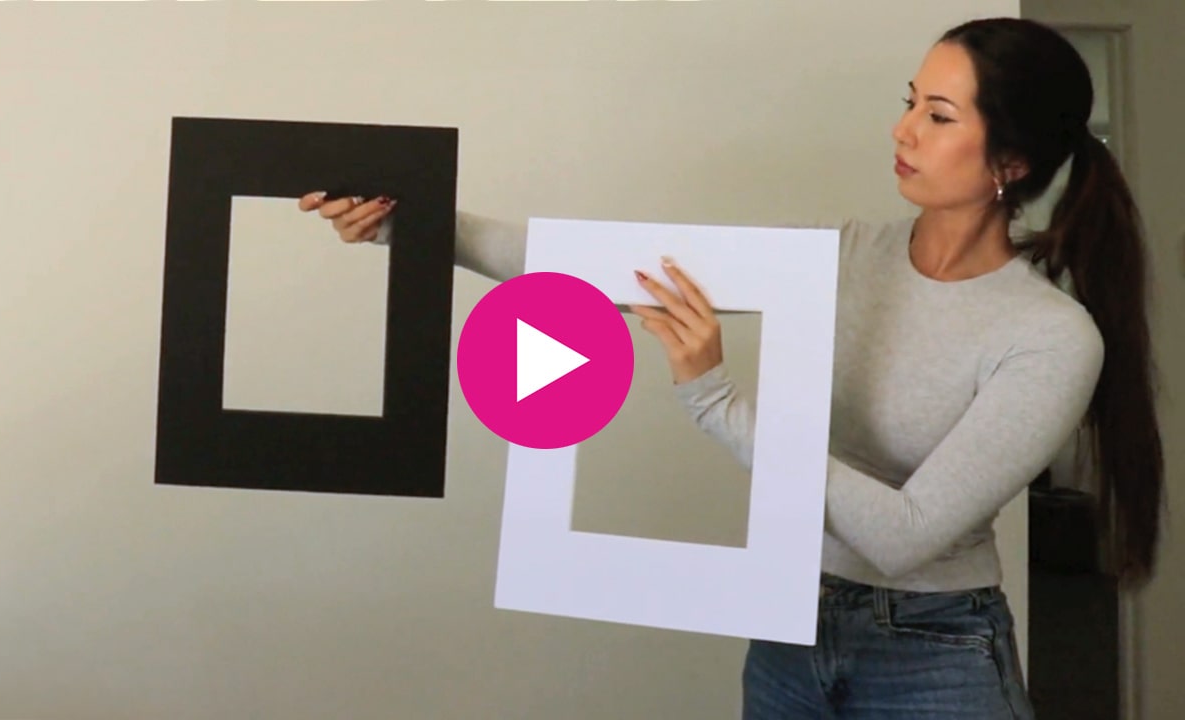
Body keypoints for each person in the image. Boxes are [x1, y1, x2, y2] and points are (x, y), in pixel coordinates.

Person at [297, 17, 1164, 720]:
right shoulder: (840, 255)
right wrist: (407, 222)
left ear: (1010, 161)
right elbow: (600, 266)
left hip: (936, 652)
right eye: (910, 102)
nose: (903, 130)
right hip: (788, 627)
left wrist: (715, 397)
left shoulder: (1050, 337)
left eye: (939, 116)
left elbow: (906, 535)